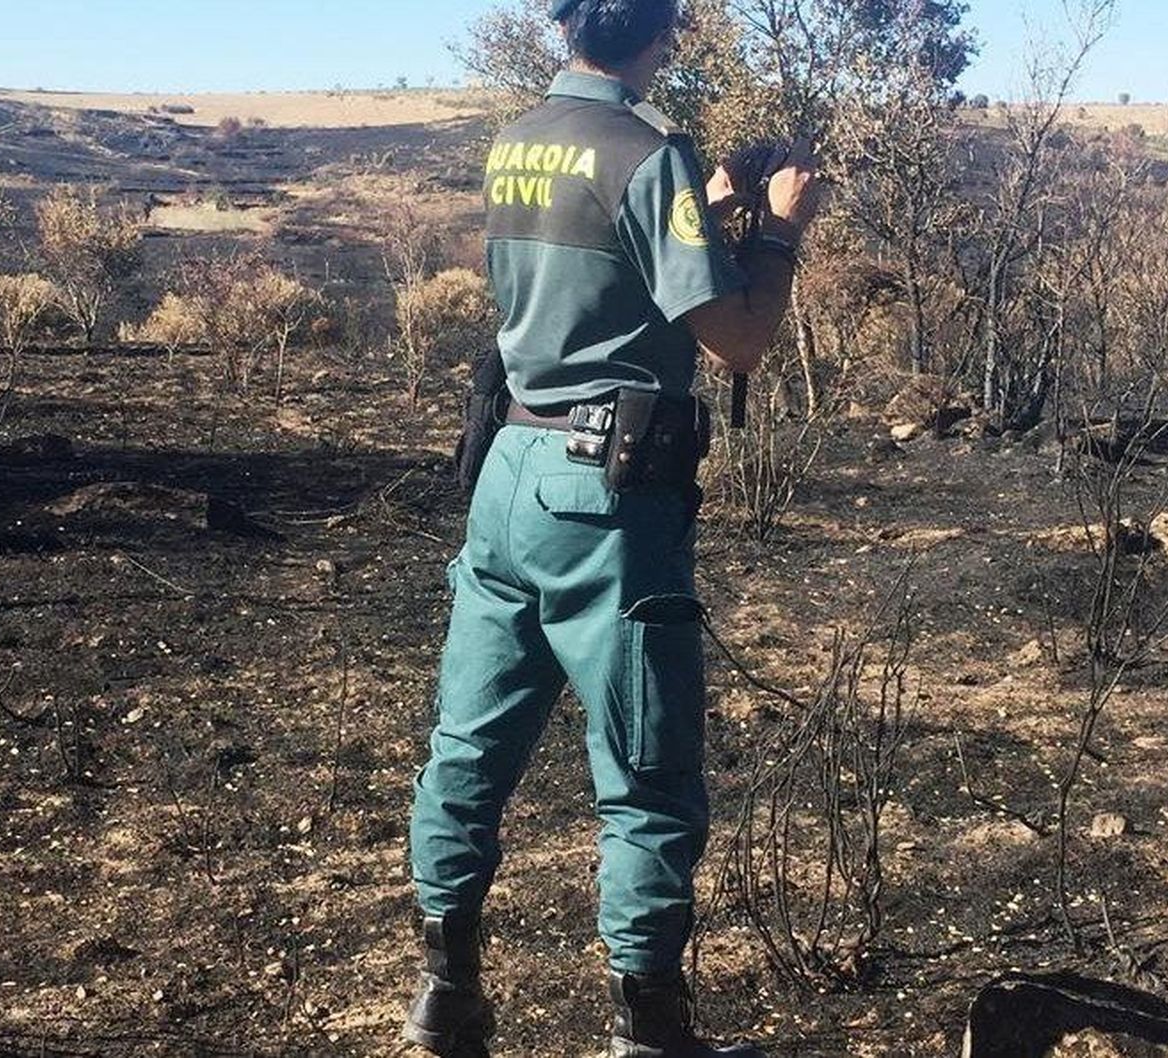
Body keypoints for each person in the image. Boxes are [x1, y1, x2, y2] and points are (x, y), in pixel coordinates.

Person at [403, 0, 822, 1054]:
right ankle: (651, 1032)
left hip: (508, 468)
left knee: (467, 749)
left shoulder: (519, 141)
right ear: (662, 33)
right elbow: (737, 342)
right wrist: (778, 230)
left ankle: (446, 993)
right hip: (606, 496)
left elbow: (594, 264)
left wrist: (700, 204)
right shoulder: (648, 153)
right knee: (647, 774)